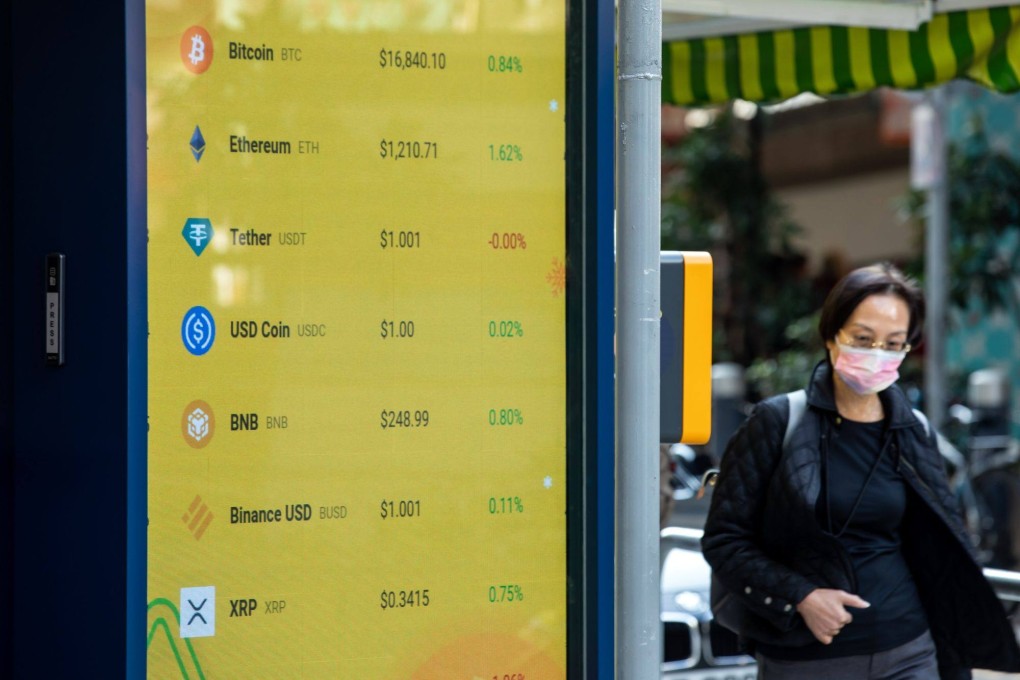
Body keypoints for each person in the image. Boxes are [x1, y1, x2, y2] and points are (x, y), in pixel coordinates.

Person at [702, 263, 1020, 680]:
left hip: (909, 650)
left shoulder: (913, 429)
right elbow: (724, 540)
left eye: (894, 344)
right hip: (808, 660)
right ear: (832, 335)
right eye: (863, 339)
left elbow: (943, 545)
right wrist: (801, 596)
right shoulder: (778, 421)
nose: (877, 355)